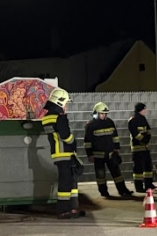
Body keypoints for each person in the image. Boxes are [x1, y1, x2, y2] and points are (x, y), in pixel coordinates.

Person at [41, 87, 85, 219]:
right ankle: (64, 210)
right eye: (65, 103)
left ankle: (72, 208)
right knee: (66, 182)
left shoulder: (47, 118)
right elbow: (66, 136)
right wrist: (73, 142)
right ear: (60, 102)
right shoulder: (60, 118)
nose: (66, 106)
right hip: (65, 153)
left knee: (69, 181)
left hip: (57, 154)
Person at [84, 102, 133, 198]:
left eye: (105, 113)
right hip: (98, 155)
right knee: (100, 175)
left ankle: (123, 190)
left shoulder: (110, 122)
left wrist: (117, 148)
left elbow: (115, 136)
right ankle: (104, 192)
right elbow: (87, 142)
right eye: (102, 113)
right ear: (96, 113)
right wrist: (89, 154)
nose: (104, 115)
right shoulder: (91, 125)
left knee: (117, 174)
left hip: (111, 153)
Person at [129, 102, 154, 193]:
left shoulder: (143, 119)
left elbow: (148, 130)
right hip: (137, 148)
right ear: (140, 110)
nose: (145, 111)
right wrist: (143, 140)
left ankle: (148, 184)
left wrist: (147, 139)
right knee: (138, 169)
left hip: (145, 148)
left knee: (148, 167)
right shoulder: (132, 120)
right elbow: (135, 133)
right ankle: (139, 187)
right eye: (144, 109)